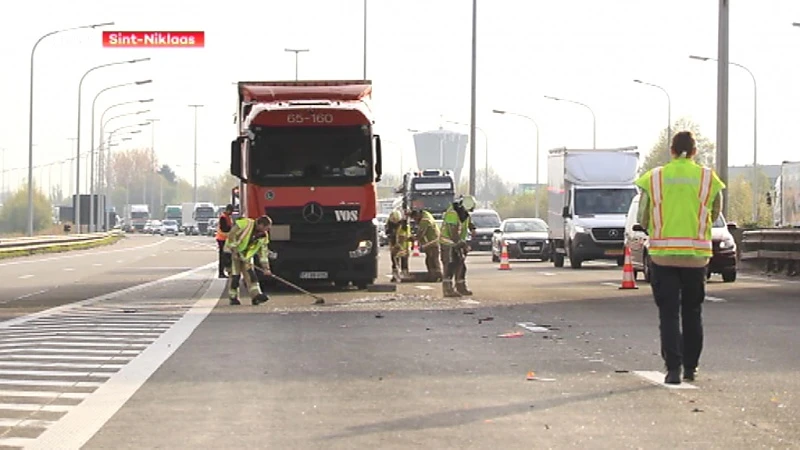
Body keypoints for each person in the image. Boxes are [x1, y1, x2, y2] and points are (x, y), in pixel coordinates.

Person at [635, 131, 725, 384]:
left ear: (672, 151)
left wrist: (655, 229)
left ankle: (672, 369)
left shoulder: (656, 177)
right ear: (694, 151)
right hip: (696, 256)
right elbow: (716, 210)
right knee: (692, 311)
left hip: (663, 256)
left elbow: (643, 215)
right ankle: (691, 367)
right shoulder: (707, 178)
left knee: (669, 313)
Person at [224, 215, 273, 306]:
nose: (266, 231)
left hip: (246, 257)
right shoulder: (245, 224)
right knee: (235, 276)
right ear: (260, 225)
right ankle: (233, 297)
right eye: (266, 228)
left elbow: (263, 254)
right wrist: (234, 250)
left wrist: (266, 268)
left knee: (251, 275)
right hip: (232, 253)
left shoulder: (263, 236)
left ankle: (256, 296)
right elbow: (231, 235)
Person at [439, 196, 475, 297]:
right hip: (448, 243)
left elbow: (467, 221)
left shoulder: (463, 212)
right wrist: (461, 244)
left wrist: (472, 228)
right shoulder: (452, 213)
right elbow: (452, 231)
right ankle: (447, 289)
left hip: (457, 242)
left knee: (461, 265)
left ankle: (461, 287)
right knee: (449, 266)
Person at [410, 208, 442, 282]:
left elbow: (421, 234)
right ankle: (433, 275)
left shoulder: (424, 220)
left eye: (415, 218)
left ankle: (438, 275)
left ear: (418, 215)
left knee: (433, 260)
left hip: (432, 242)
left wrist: (414, 239)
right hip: (433, 240)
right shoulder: (426, 214)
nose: (415, 220)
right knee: (430, 259)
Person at [385, 209, 411, 282]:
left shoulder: (404, 226)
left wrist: (397, 246)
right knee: (394, 261)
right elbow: (389, 235)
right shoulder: (389, 224)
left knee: (404, 261)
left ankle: (404, 275)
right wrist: (392, 246)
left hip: (403, 246)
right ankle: (395, 275)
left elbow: (402, 237)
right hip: (394, 244)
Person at [216, 204, 234, 278]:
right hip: (222, 239)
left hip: (224, 239)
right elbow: (224, 228)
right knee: (223, 256)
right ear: (228, 210)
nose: (232, 213)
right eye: (231, 211)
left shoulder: (227, 217)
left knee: (225, 256)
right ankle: (221, 273)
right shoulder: (223, 217)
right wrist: (231, 230)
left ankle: (224, 271)